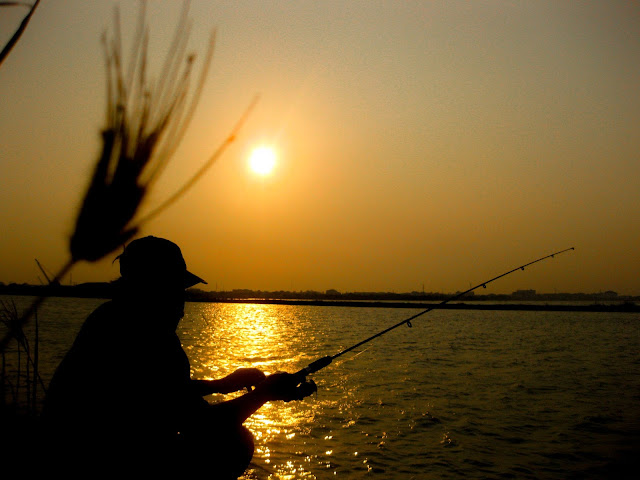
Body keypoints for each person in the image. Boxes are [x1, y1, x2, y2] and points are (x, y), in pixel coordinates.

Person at [42, 236, 314, 477]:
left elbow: (164, 393)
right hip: (103, 459)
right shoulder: (142, 335)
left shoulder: (109, 318)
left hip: (71, 451)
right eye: (174, 290)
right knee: (236, 441)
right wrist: (263, 394)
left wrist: (221, 385)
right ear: (152, 288)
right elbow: (202, 424)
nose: (181, 305)